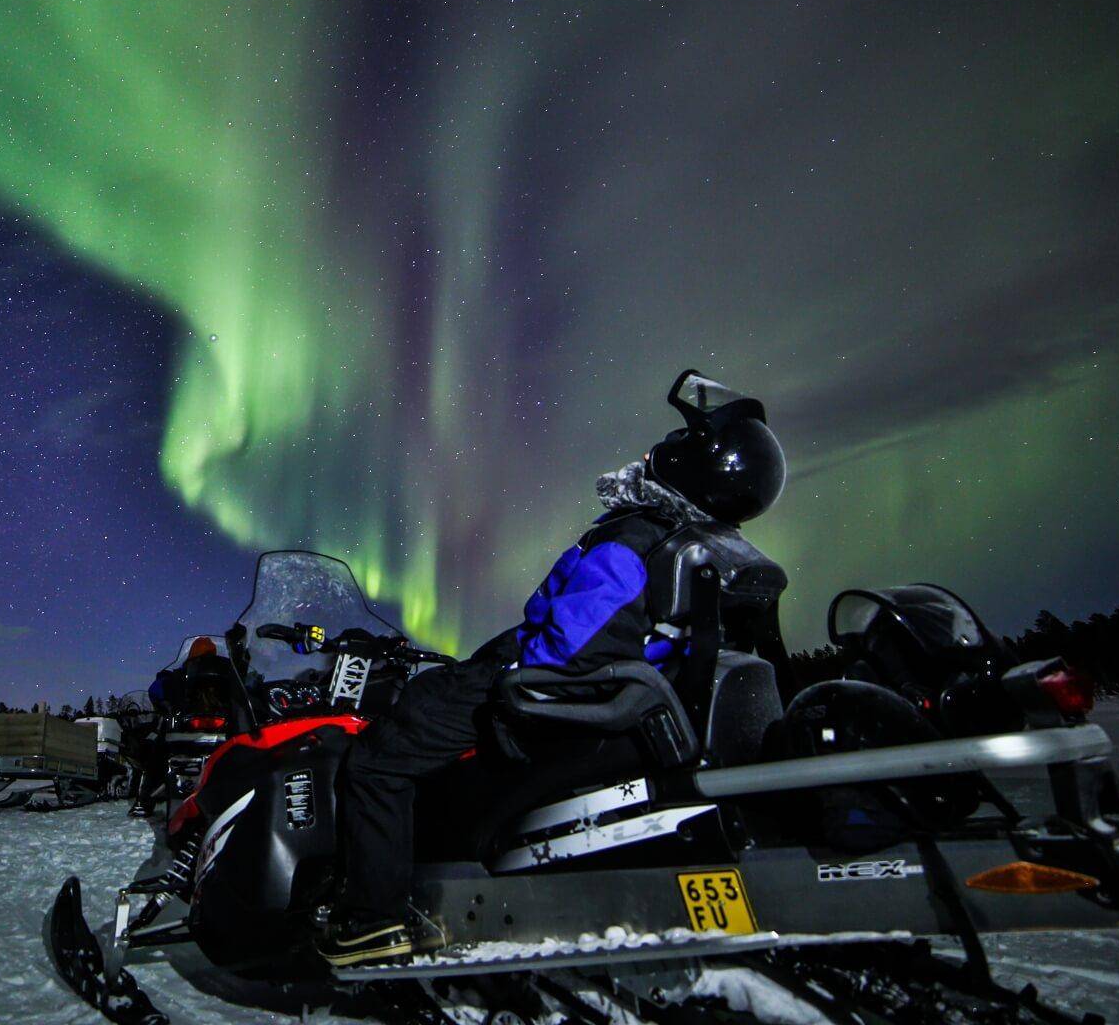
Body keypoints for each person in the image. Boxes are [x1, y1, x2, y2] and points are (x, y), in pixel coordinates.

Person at [319, 371, 787, 968]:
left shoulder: (635, 538)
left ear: (694, 462)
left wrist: (501, 671)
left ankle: (371, 921)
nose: (655, 448)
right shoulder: (716, 551)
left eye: (676, 439)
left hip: (557, 692)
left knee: (378, 758)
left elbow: (567, 652)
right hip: (635, 703)